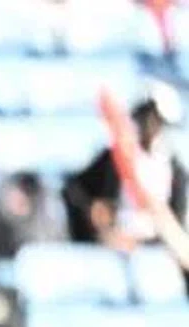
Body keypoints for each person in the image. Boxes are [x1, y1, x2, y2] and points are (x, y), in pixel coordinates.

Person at [64, 89, 188, 249]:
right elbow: (75, 190)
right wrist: (93, 213)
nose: (149, 124)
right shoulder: (114, 158)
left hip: (158, 248)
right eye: (144, 116)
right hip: (116, 246)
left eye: (155, 119)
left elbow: (177, 216)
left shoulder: (174, 167)